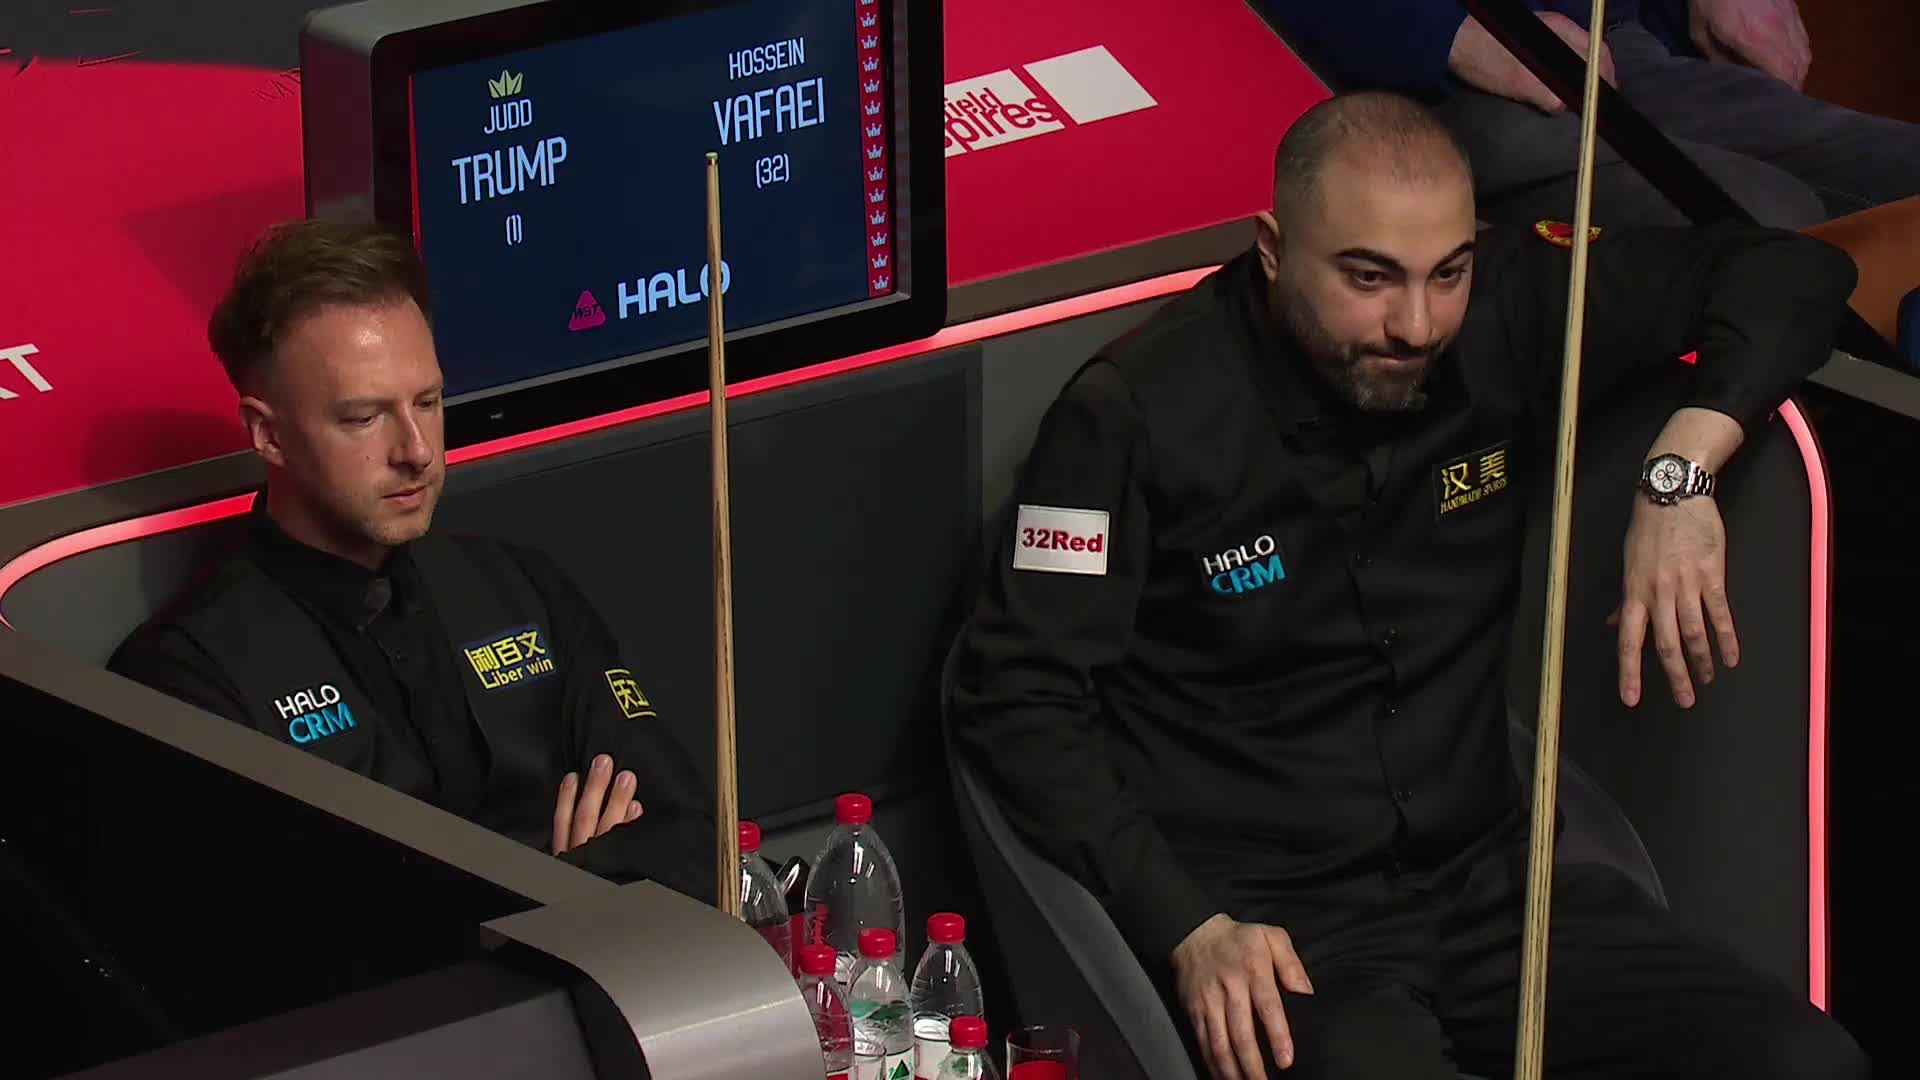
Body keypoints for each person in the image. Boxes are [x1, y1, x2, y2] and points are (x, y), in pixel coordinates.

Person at [948, 92, 1867, 1079]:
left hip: (1496, 897)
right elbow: (1017, 697)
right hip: (1283, 933)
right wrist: (1186, 926)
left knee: (1804, 1063)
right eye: (1369, 278)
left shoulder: (1507, 305)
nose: (1417, 324)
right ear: (1274, 249)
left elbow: (1792, 270)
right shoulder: (1133, 412)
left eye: (1449, 272)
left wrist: (1681, 467)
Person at [108, 219, 711, 902]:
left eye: (427, 402)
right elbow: (299, 942)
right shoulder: (188, 683)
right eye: (364, 418)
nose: (417, 450)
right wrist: (563, 886)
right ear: (268, 435)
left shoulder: (520, 588)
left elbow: (687, 838)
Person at [1262, 0, 1920, 229]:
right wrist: (1444, 34)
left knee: (1902, 182)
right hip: (1417, 86)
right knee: (1773, 221)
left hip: (1619, 42)